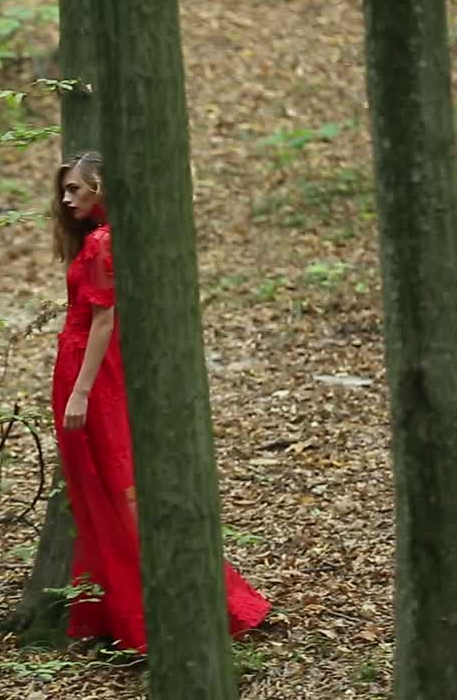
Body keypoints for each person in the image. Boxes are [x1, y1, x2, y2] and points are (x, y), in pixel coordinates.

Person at [50, 150, 271, 653]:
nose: (66, 200)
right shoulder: (97, 239)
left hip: (94, 374)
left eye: (76, 190)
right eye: (64, 190)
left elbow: (105, 321)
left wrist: (82, 390)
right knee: (97, 495)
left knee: (119, 489)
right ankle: (123, 610)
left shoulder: (106, 242)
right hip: (80, 366)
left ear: (102, 188)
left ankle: (167, 611)